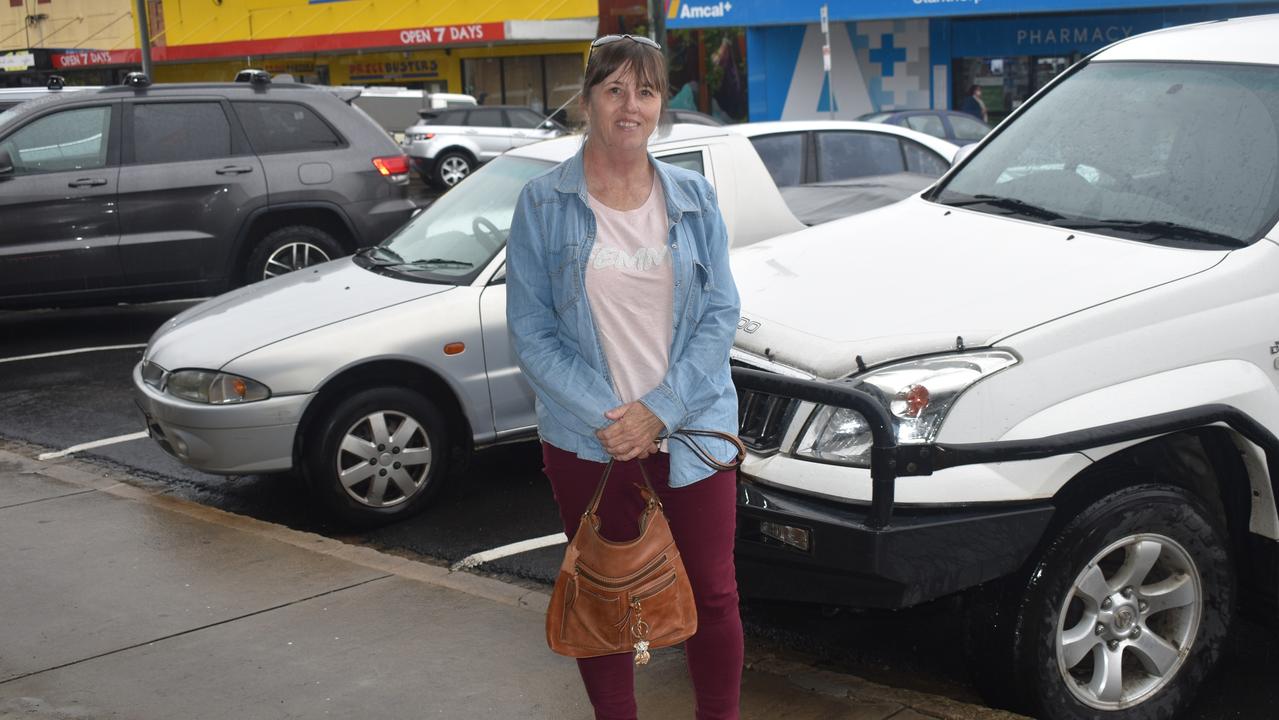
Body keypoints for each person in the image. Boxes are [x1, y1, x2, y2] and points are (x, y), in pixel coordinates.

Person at [505, 33, 744, 720]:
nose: (629, 105)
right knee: (605, 592)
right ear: (586, 102)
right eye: (613, 90)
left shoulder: (694, 198)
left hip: (691, 432)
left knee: (713, 592)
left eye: (644, 91)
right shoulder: (542, 205)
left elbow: (720, 313)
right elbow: (532, 333)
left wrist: (659, 411)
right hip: (591, 440)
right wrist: (617, 420)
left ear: (660, 104)